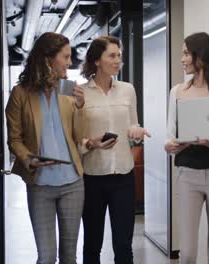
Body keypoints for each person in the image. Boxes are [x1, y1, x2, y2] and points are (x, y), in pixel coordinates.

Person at [5, 32, 85, 264]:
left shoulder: (69, 90)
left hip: (72, 183)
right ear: (48, 58)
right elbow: (14, 138)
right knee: (47, 256)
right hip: (40, 184)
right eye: (66, 57)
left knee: (69, 256)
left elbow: (79, 135)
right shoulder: (20, 93)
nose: (70, 63)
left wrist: (80, 107)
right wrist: (28, 158)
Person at [164, 32, 209, 264]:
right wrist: (171, 145)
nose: (182, 59)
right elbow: (169, 136)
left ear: (202, 56)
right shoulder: (177, 92)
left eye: (186, 53)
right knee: (186, 254)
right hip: (188, 174)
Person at [78, 36, 150, 264]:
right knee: (92, 244)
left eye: (119, 55)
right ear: (97, 60)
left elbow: (132, 123)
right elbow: (75, 138)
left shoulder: (127, 90)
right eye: (112, 55)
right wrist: (91, 143)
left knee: (123, 245)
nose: (118, 60)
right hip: (93, 178)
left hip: (123, 177)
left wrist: (136, 131)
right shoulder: (80, 93)